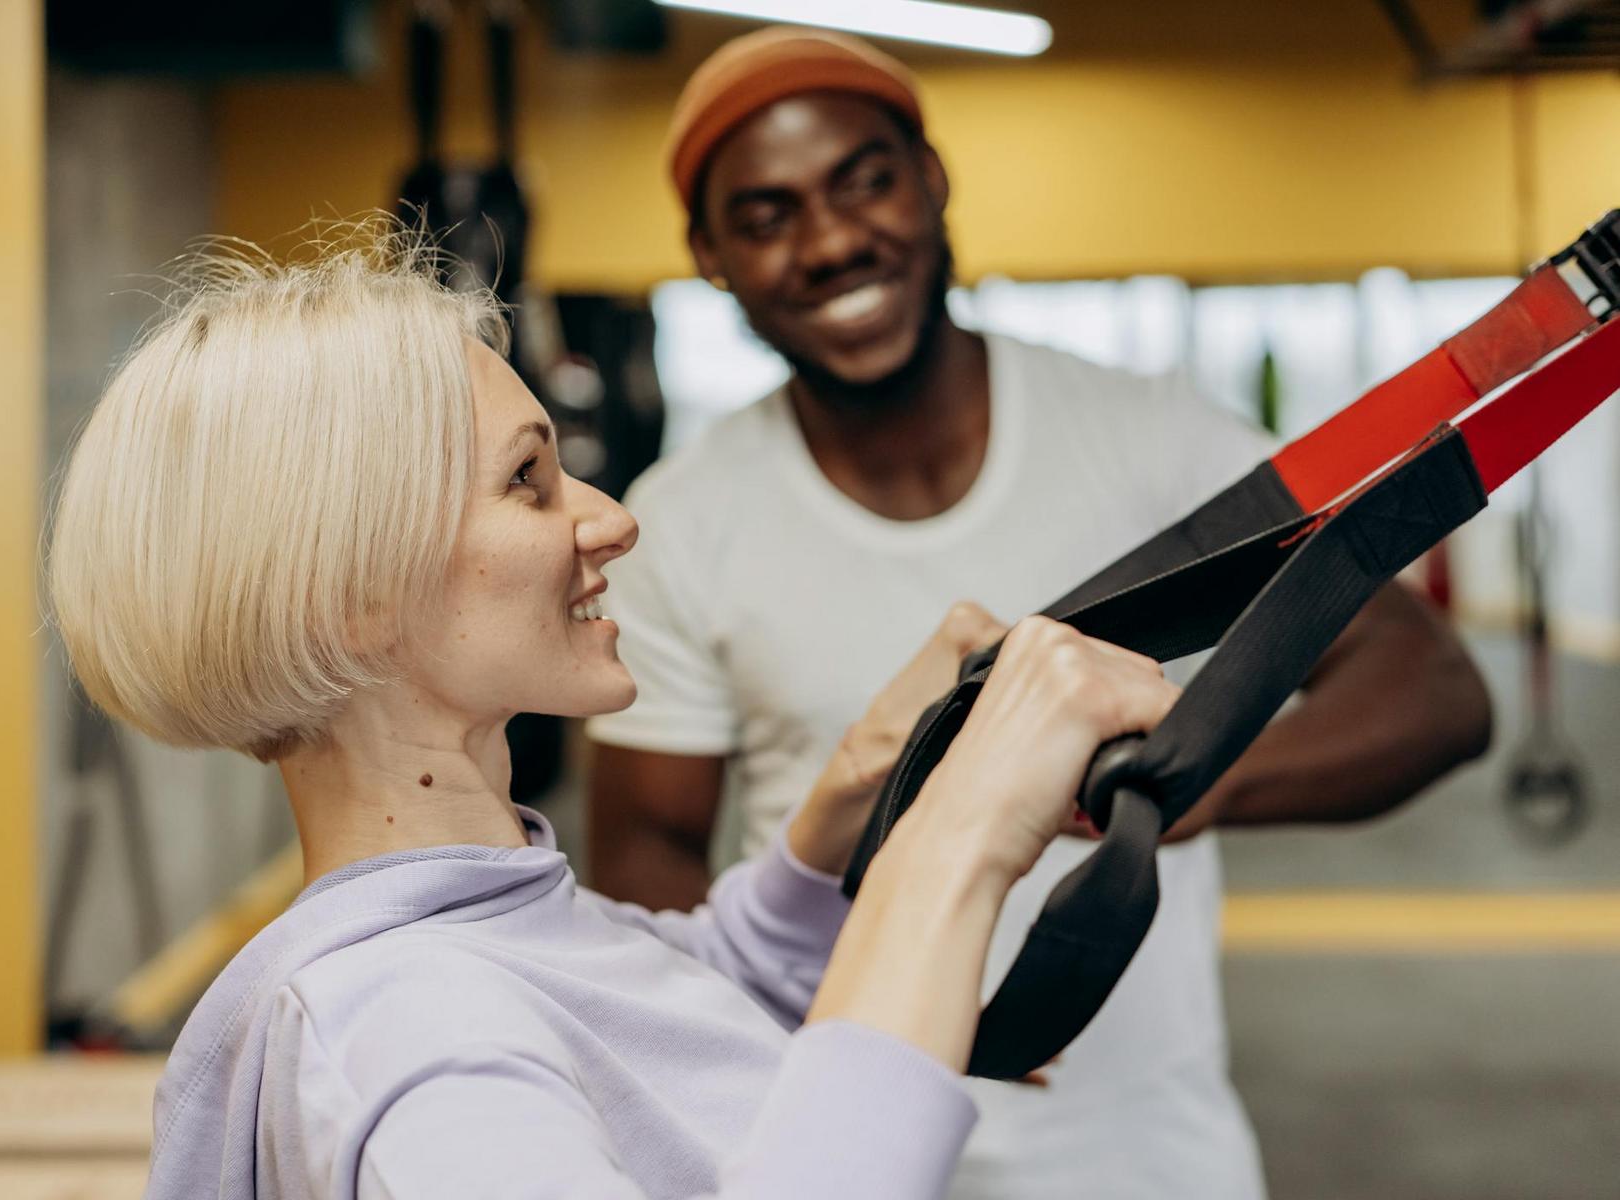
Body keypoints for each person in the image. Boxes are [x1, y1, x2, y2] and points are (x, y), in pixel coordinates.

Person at [46, 226, 1194, 1199]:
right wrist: (959, 844)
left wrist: (868, 776)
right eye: (527, 481)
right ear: (354, 596)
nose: (608, 519)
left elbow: (669, 1003)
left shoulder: (497, 929)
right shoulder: (415, 1035)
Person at [585, 26, 1493, 1199]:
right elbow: (646, 866)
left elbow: (1432, 689)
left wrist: (1187, 782)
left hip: (1151, 1159)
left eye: (866, 181)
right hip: (843, 1149)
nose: (832, 241)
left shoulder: (1156, 441)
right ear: (710, 257)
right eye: (765, 217)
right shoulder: (682, 523)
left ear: (932, 179)